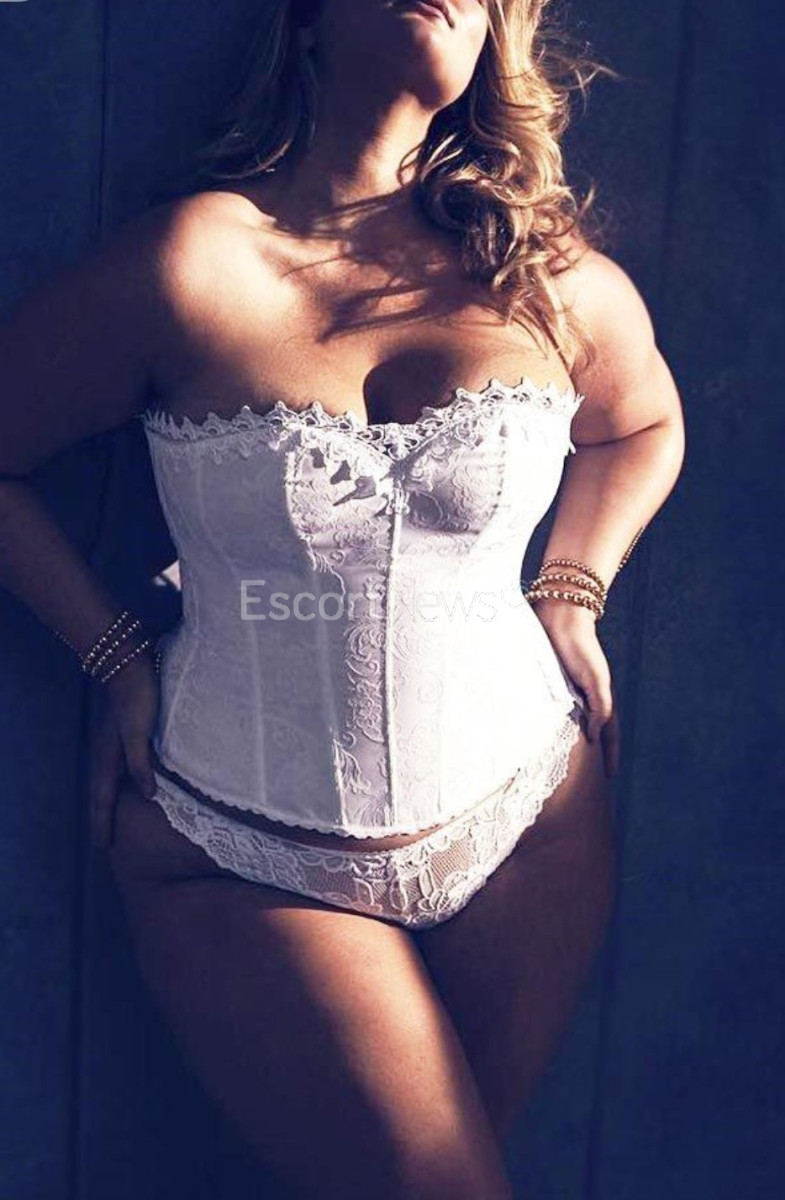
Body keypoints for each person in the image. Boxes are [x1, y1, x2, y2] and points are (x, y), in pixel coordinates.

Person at [0, 1, 685, 1196]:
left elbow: (642, 424)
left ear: (489, 46)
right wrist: (110, 652)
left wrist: (572, 589)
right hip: (236, 843)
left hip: (527, 820)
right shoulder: (191, 261)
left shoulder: (538, 275)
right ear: (307, 21)